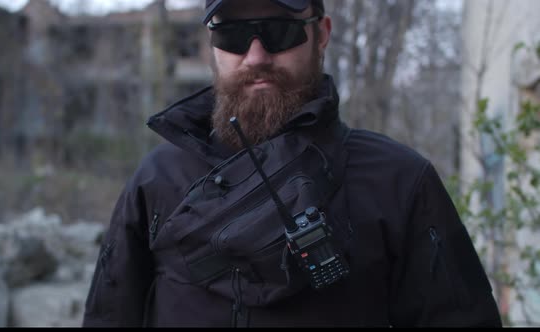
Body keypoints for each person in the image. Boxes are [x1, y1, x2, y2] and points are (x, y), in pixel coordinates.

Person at [82, 0, 502, 327]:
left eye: (279, 31)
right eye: (232, 34)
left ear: (321, 33)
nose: (256, 55)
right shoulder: (157, 180)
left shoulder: (400, 181)